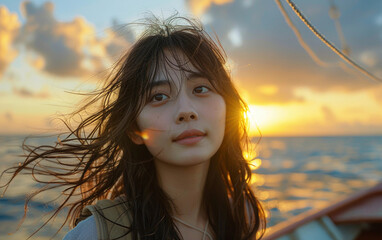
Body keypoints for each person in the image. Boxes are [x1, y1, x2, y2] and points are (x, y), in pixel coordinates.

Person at [1, 15, 266, 240]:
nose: (186, 110)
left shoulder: (241, 214)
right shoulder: (97, 233)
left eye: (201, 89)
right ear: (134, 131)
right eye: (158, 97)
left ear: (228, 109)